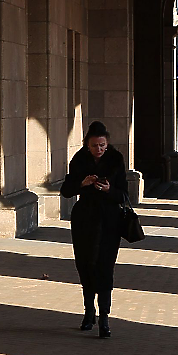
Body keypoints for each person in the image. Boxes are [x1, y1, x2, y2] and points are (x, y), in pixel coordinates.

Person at [60, 121, 128, 338]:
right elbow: (66, 191)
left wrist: (109, 190)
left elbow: (124, 195)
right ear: (87, 145)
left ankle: (105, 318)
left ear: (107, 144)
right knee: (86, 265)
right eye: (94, 146)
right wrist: (82, 183)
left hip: (110, 220)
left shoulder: (116, 160)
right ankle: (89, 312)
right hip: (85, 220)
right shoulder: (79, 160)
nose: (98, 149)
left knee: (105, 268)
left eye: (102, 145)